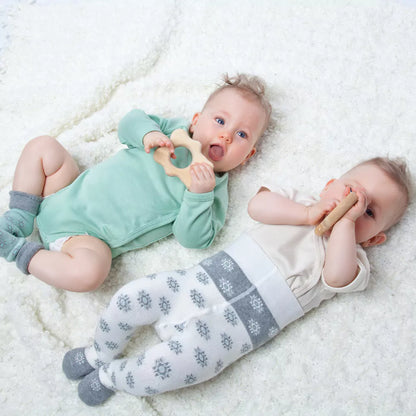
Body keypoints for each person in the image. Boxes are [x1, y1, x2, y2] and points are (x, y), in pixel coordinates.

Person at [61, 156, 411, 406]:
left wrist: (346, 225)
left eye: (368, 212)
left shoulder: (354, 259)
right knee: (135, 294)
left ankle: (112, 377)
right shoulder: (299, 203)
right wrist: (306, 214)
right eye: (351, 191)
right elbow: (258, 207)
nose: (353, 205)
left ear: (374, 239)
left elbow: (336, 276)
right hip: (197, 284)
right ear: (330, 185)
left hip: (228, 334)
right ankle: (98, 352)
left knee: (178, 369)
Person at [0, 74, 272, 292]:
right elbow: (129, 122)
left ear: (247, 156)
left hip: (83, 239)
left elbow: (194, 239)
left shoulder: (212, 191)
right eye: (220, 121)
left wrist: (198, 195)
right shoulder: (172, 131)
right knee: (43, 147)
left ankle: (15, 249)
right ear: (196, 120)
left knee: (90, 273)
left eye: (241, 134)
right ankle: (20, 217)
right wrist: (148, 134)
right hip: (62, 191)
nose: (225, 135)